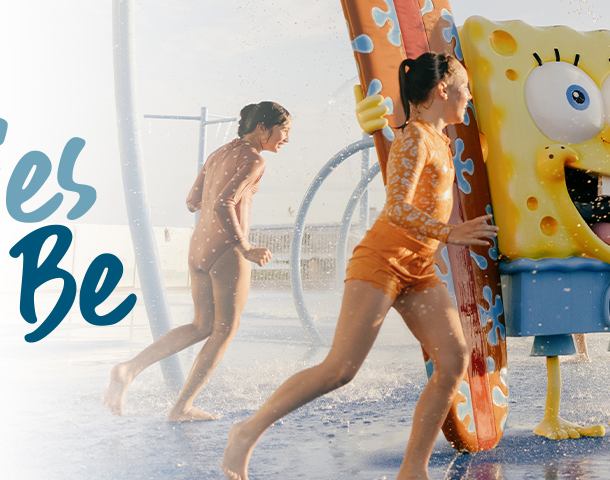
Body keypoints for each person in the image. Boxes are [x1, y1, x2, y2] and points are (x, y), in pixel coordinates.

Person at [221, 52, 496, 480]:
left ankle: (413, 470)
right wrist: (451, 234)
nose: (469, 97)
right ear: (443, 89)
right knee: (340, 370)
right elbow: (398, 208)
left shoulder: (442, 141)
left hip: (418, 267)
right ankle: (247, 430)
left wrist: (445, 237)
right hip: (381, 262)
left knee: (453, 360)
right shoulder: (415, 138)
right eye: (466, 88)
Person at [104, 101, 290, 422]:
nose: (286, 138)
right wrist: (245, 247)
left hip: (198, 248)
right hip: (225, 250)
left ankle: (129, 369)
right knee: (225, 330)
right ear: (262, 128)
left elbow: (193, 202)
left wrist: (220, 204)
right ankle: (182, 407)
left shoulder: (217, 154)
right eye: (283, 131)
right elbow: (223, 203)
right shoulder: (254, 159)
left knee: (201, 325)